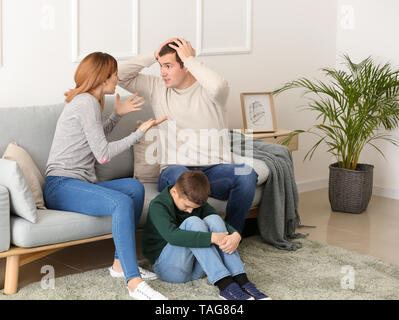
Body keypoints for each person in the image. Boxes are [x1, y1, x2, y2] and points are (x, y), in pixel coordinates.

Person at [44, 51, 168, 300]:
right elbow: (102, 154)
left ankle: (119, 265)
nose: (117, 78)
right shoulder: (85, 102)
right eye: (114, 74)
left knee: (134, 188)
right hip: (61, 185)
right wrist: (139, 133)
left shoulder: (89, 101)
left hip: (75, 184)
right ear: (103, 78)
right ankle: (133, 282)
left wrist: (117, 115)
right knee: (121, 201)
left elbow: (94, 139)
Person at [118, 38, 258, 234]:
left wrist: (190, 59)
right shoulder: (157, 87)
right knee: (181, 177)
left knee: (247, 175)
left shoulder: (211, 93)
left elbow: (219, 86)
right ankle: (198, 236)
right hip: (174, 169)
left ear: (186, 67)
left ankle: (231, 236)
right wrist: (153, 55)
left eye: (168, 66)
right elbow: (118, 76)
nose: (162, 72)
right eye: (161, 66)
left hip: (212, 170)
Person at [142, 170, 270, 300]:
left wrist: (236, 235)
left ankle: (242, 280)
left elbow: (220, 223)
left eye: (193, 208)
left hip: (199, 269)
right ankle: (225, 284)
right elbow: (173, 236)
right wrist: (212, 237)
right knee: (193, 222)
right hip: (169, 270)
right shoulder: (158, 205)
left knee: (213, 219)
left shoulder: (195, 201)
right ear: (174, 192)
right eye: (187, 206)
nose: (190, 210)